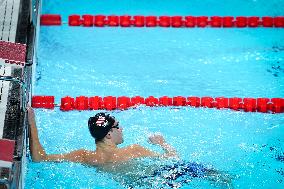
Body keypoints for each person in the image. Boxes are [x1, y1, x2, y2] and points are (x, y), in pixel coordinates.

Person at [27, 107, 233, 188]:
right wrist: (162, 142)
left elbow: (39, 157)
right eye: (117, 126)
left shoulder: (87, 158)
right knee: (209, 172)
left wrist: (32, 121)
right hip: (160, 177)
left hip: (136, 185)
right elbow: (174, 159)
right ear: (109, 133)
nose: (121, 129)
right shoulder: (133, 150)